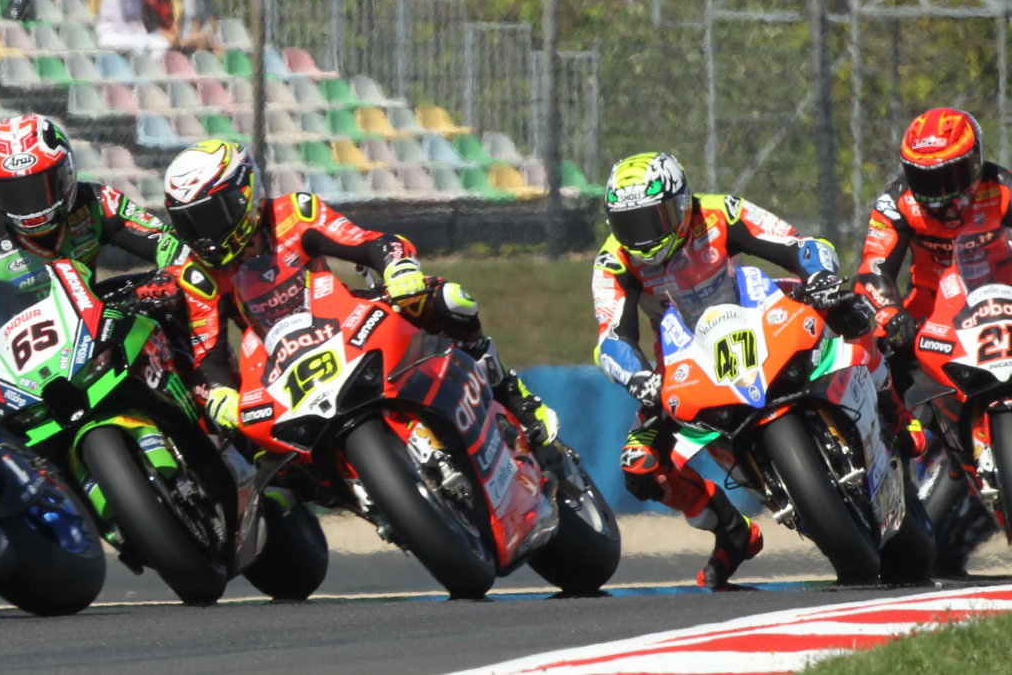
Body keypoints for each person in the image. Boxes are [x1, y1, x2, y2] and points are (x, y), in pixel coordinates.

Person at [159, 138, 559, 443]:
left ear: (244, 194)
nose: (204, 235)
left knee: (450, 301)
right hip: (276, 364)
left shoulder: (293, 213)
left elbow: (368, 243)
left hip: (341, 318)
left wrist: (398, 268)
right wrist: (221, 392)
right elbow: (208, 351)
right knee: (244, 438)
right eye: (190, 224)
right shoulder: (200, 274)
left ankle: (511, 394)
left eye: (210, 216)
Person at [591, 151, 869, 588]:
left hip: (760, 315)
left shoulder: (719, 212)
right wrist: (638, 377)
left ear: (681, 202)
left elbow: (797, 245)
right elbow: (612, 337)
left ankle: (896, 417)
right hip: (685, 358)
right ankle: (731, 529)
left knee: (857, 311)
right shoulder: (614, 261)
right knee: (640, 464)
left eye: (653, 219)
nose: (643, 236)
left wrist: (819, 278)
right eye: (630, 224)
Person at [0, 113, 188, 347]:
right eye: (12, 194)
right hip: (26, 355)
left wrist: (166, 278)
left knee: (176, 296)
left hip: (92, 329)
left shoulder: (98, 203)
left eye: (39, 189)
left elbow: (170, 244)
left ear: (68, 174)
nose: (30, 208)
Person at [857, 108, 1012, 413]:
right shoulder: (896, 202)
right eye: (924, 179)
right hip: (930, 313)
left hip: (999, 302)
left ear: (975, 162)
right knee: (872, 355)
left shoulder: (1004, 189)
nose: (938, 194)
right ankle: (897, 431)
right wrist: (892, 316)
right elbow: (873, 270)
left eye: (948, 176)